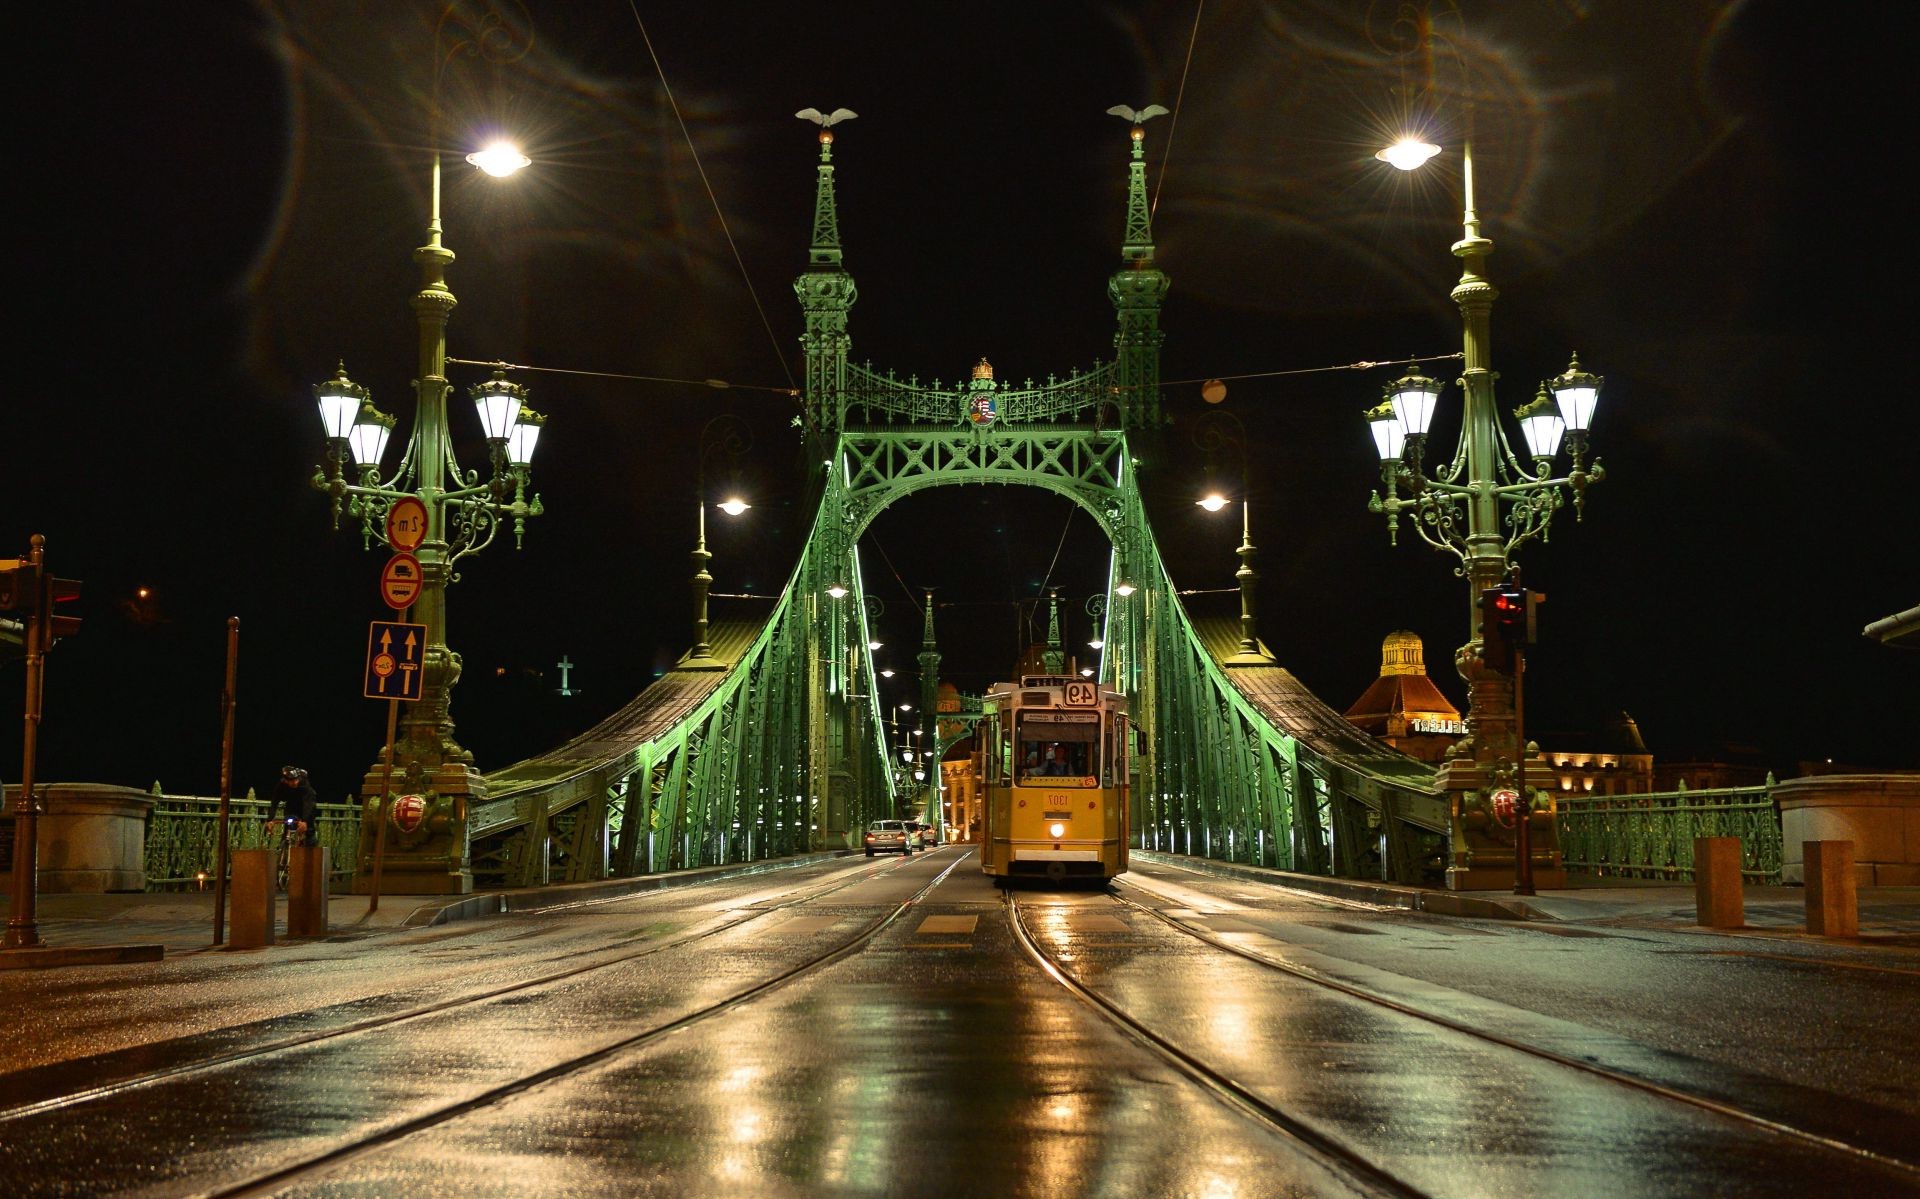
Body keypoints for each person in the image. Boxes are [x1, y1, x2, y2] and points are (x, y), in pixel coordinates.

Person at [267, 765, 319, 847]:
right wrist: (270, 820)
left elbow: (308, 804)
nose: (295, 782)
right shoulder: (281, 785)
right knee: (289, 822)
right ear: (285, 781)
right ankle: (284, 845)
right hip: (292, 805)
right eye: (292, 781)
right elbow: (274, 802)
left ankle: (310, 842)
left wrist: (305, 821)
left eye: (296, 779)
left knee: (308, 829)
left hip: (307, 804)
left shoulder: (304, 784)